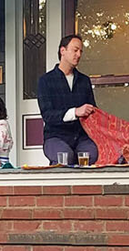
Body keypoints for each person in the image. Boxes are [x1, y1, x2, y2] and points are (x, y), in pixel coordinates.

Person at [36, 34, 100, 165]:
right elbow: (47, 115)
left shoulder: (84, 81)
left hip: (81, 137)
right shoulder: (45, 81)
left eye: (81, 51)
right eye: (75, 50)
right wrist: (75, 112)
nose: (79, 54)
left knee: (92, 154)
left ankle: (85, 186)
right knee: (65, 156)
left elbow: (93, 110)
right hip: (55, 136)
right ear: (62, 51)